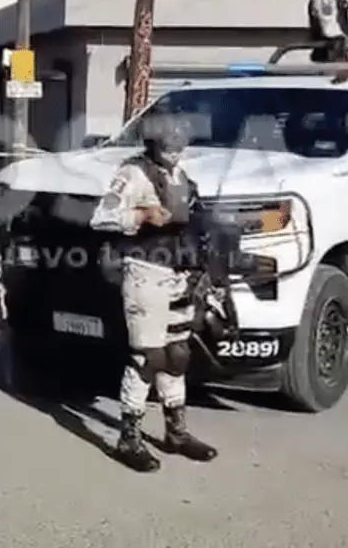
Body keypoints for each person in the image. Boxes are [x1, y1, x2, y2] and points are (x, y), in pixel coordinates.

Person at [89, 113, 220, 473]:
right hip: (146, 271)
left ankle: (176, 432)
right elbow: (101, 217)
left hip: (179, 273)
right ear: (153, 143)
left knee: (177, 354)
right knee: (147, 358)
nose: (177, 151)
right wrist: (141, 216)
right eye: (169, 144)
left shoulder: (182, 177)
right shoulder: (133, 173)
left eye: (181, 144)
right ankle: (128, 438)